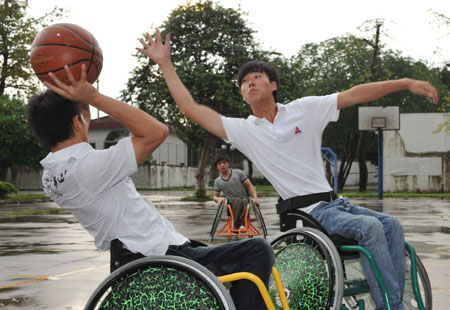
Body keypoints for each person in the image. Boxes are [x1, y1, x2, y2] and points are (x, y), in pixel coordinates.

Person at [137, 29, 439, 310]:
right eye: (244, 82)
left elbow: (355, 94)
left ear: (274, 85)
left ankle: (392, 300)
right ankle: (393, 306)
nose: (250, 83)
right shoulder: (243, 130)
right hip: (309, 213)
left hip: (336, 203)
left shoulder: (304, 110)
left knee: (392, 226)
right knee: (370, 228)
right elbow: (190, 109)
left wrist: (406, 83)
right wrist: (166, 64)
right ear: (243, 93)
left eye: (256, 77)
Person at [26, 65, 274, 310]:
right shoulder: (89, 167)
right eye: (81, 118)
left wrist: (77, 92)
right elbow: (156, 131)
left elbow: (83, 120)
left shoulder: (53, 174)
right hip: (158, 256)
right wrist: (94, 95)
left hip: (136, 257)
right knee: (257, 250)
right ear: (76, 124)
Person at [213, 153, 260, 230]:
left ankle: (240, 224)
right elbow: (214, 196)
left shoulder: (238, 173)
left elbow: (250, 186)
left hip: (244, 201)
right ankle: (239, 224)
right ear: (217, 166)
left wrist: (256, 198)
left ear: (228, 163)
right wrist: (218, 199)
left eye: (224, 163)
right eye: (219, 164)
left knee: (244, 201)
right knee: (237, 201)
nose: (222, 165)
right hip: (231, 204)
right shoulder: (218, 181)